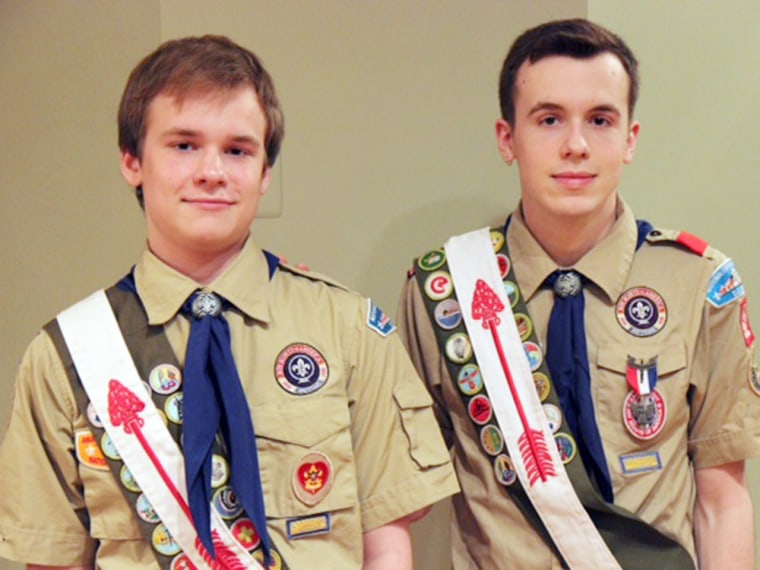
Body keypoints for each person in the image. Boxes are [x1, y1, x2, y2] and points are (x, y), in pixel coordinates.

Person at [0, 35, 458, 570]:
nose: (212, 172)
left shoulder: (348, 327)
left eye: (238, 150)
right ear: (132, 162)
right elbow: (53, 560)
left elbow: (386, 543)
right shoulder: (66, 358)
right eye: (184, 145)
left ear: (265, 172)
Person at [398, 18, 759, 569]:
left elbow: (723, 501)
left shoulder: (699, 284)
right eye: (548, 119)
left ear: (630, 139)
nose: (575, 145)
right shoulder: (442, 291)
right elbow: (400, 497)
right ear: (507, 139)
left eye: (600, 120)